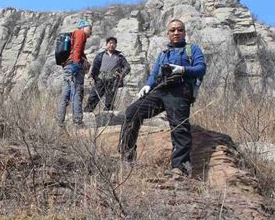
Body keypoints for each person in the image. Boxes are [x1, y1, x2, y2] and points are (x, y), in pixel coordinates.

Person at [119, 19, 206, 178]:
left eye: (179, 30)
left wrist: (182, 69)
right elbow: (154, 74)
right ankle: (127, 158)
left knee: (179, 127)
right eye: (172, 30)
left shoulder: (192, 49)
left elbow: (201, 69)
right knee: (132, 112)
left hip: (180, 91)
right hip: (160, 90)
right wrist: (147, 85)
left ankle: (180, 168)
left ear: (184, 33)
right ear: (168, 34)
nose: (176, 33)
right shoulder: (163, 53)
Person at [56, 20, 93, 127]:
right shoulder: (80, 33)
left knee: (65, 94)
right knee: (77, 92)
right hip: (73, 65)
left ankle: (59, 122)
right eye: (89, 28)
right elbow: (77, 49)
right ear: (83, 27)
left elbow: (78, 50)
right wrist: (76, 64)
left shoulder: (75, 34)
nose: (91, 31)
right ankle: (77, 122)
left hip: (67, 66)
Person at [84, 37, 131, 112]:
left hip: (113, 81)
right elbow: (94, 67)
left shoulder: (119, 57)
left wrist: (121, 75)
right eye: (110, 43)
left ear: (116, 45)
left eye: (114, 43)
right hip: (100, 80)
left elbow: (127, 67)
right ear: (106, 44)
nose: (112, 45)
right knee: (94, 97)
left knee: (110, 100)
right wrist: (93, 77)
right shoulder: (100, 56)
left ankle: (107, 117)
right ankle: (87, 113)